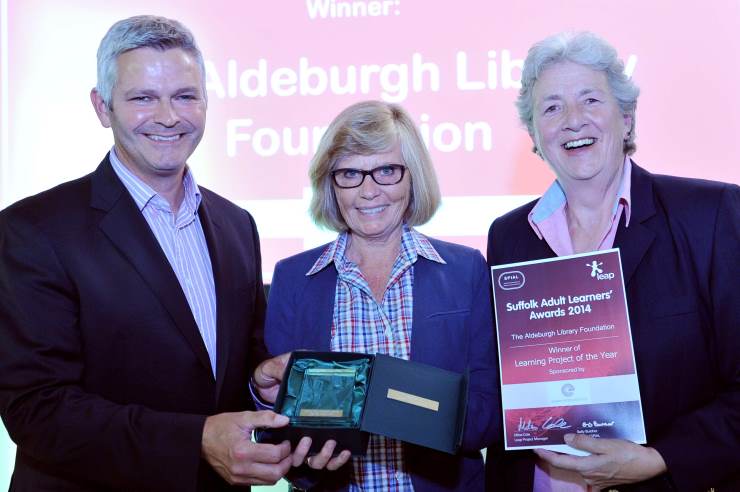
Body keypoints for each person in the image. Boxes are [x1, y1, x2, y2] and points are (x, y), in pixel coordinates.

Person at [0, 15, 319, 491]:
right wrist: (196, 439)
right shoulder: (33, 229)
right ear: (102, 107)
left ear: (206, 102)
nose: (169, 116)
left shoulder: (236, 225)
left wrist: (259, 385)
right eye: (143, 98)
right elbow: (38, 408)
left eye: (185, 96)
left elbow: (225, 373)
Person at [485, 31, 740, 491]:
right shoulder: (508, 237)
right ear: (535, 137)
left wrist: (661, 458)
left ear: (626, 118)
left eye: (590, 101)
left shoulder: (712, 216)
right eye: (552, 108)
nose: (572, 121)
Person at [251, 100, 500, 491]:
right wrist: (270, 405)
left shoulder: (466, 270)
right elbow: (279, 437)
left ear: (412, 177)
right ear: (330, 184)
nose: (369, 191)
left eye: (386, 170)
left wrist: (398, 404)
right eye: (350, 173)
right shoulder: (293, 278)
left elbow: (488, 415)